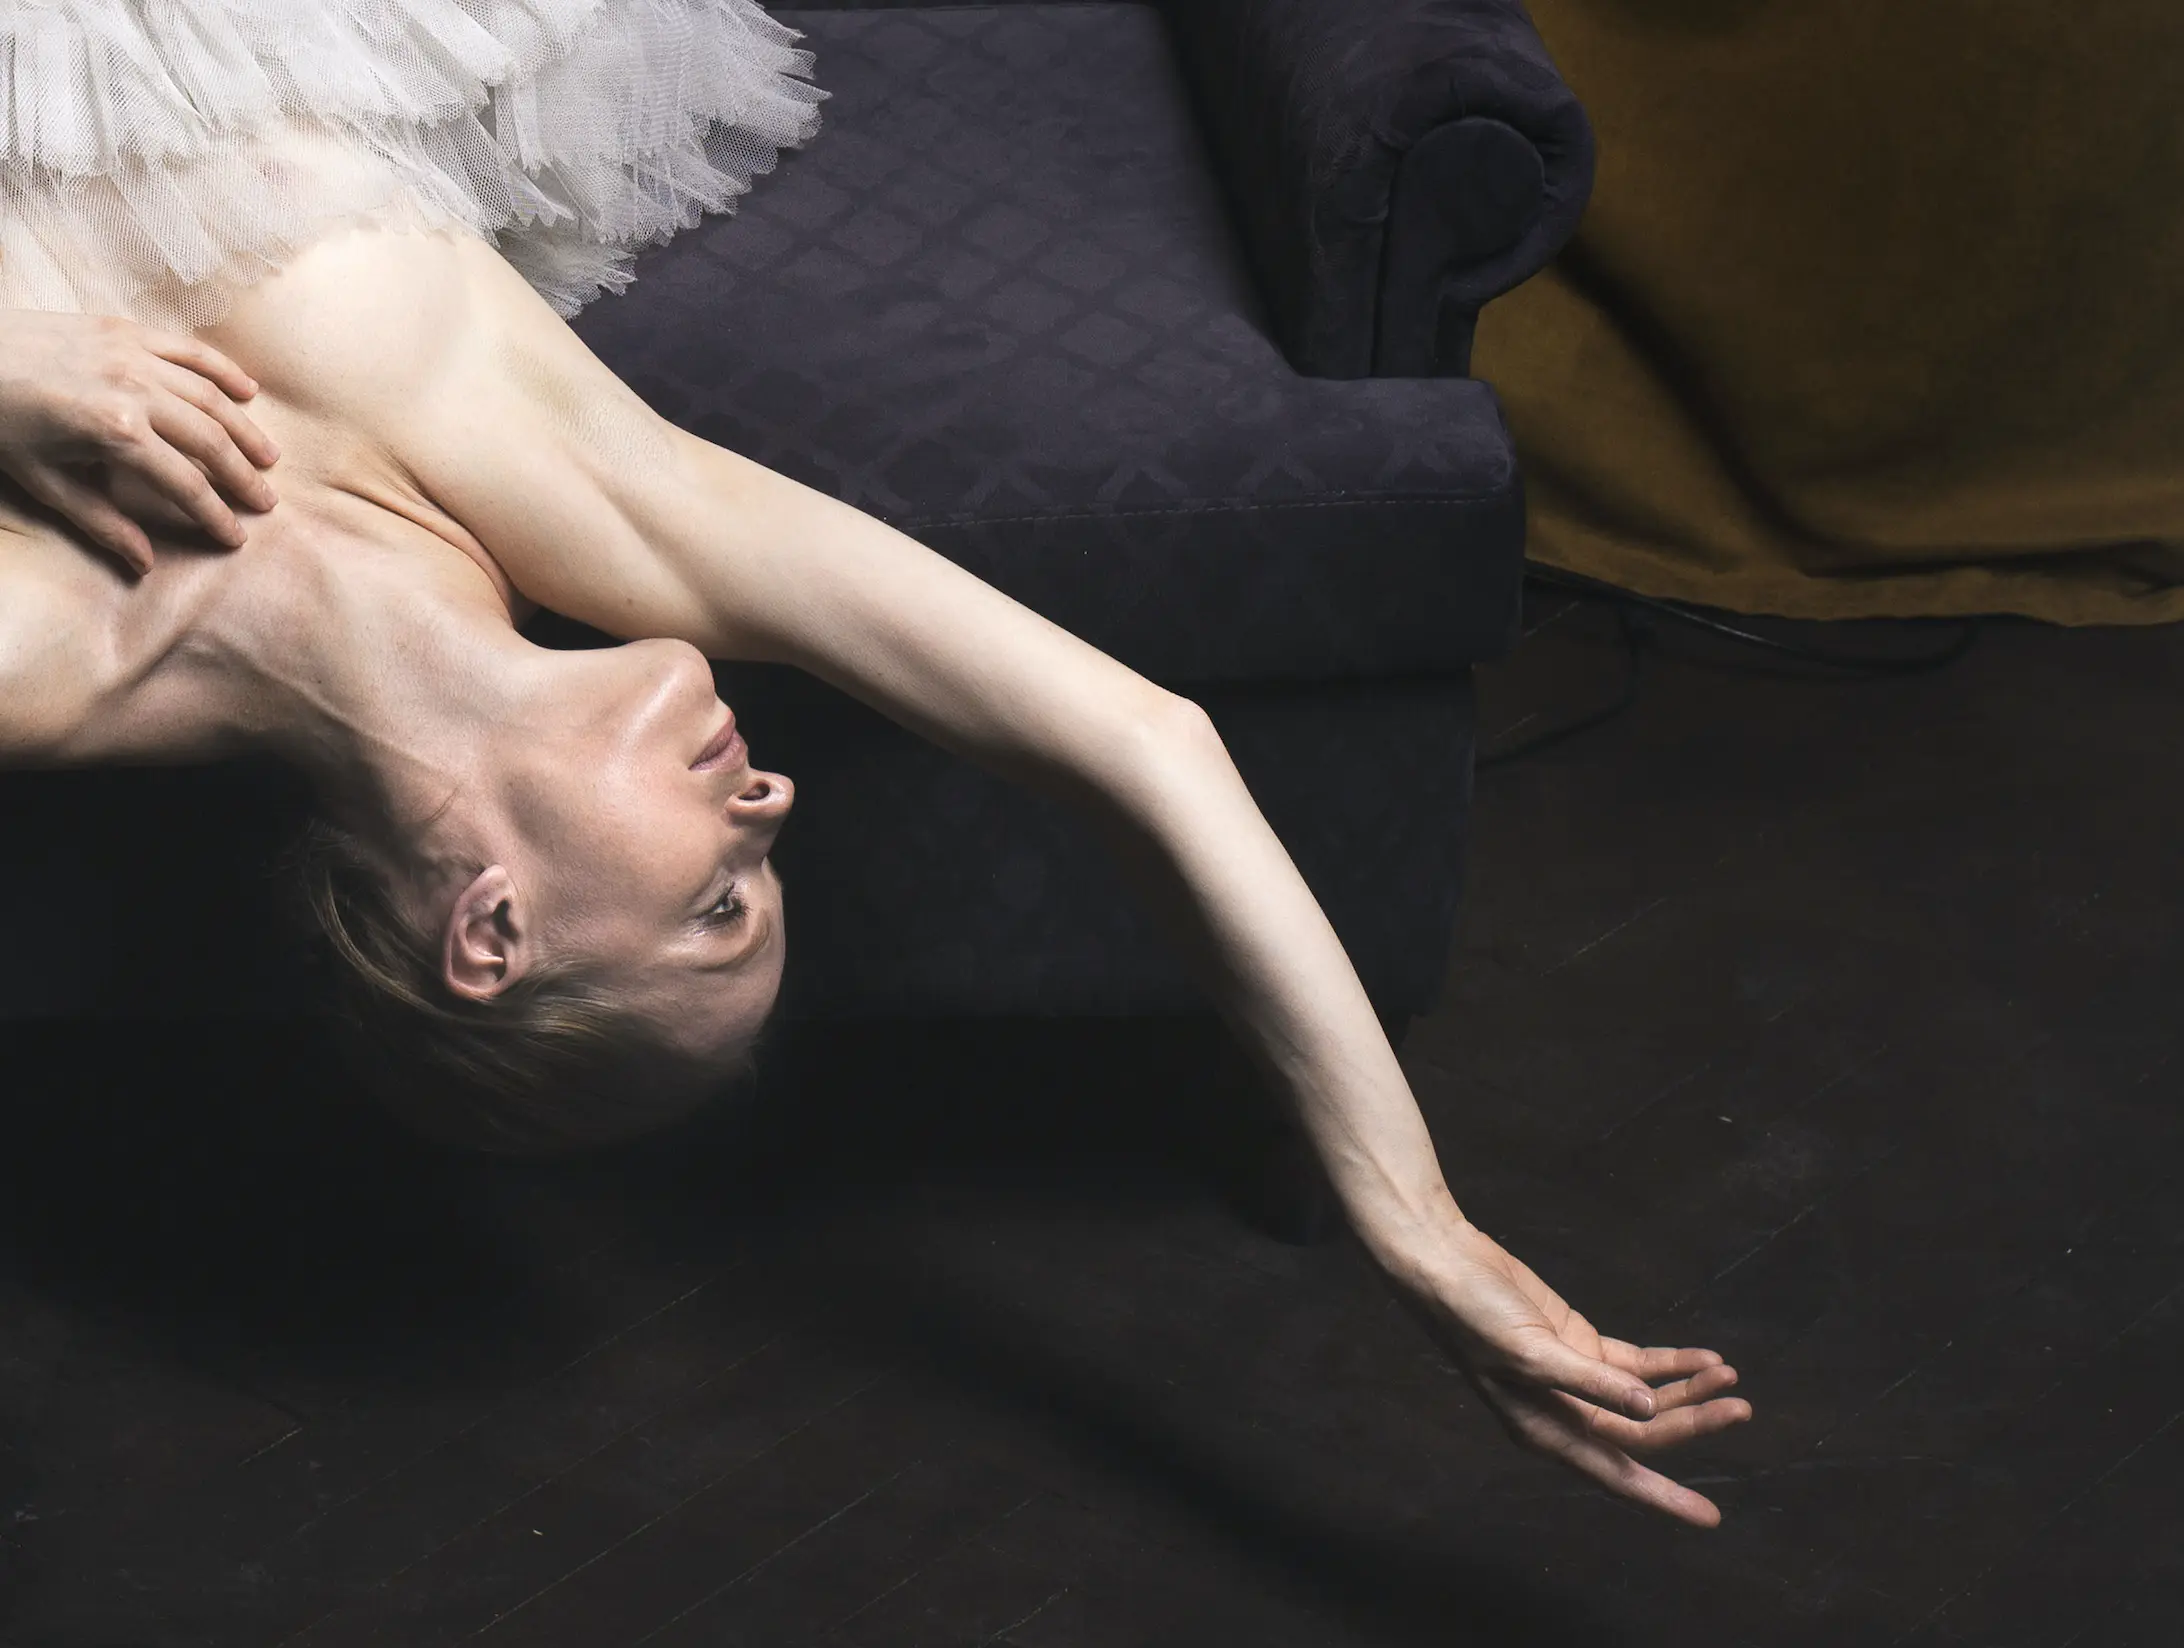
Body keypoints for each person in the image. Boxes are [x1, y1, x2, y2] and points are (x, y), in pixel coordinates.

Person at [0, 0, 1750, 1526]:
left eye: (716, 906)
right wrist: (1415, 1219)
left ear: (491, 930)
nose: (769, 807)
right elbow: (1144, 740)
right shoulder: (608, 509)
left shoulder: (52, 659)